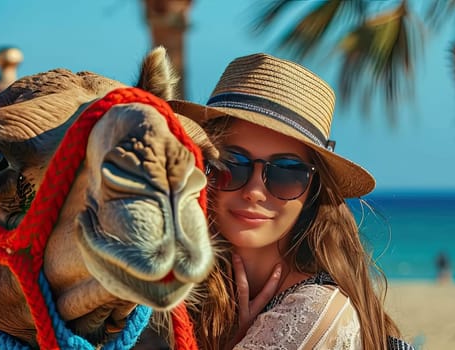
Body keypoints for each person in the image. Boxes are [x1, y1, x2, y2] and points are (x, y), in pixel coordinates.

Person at [171, 53, 411, 350]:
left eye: (286, 173)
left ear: (312, 188)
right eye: (232, 164)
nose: (255, 191)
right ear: (201, 166)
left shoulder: (314, 311)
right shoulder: (185, 287)